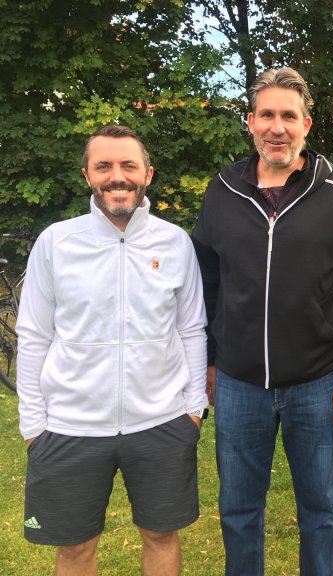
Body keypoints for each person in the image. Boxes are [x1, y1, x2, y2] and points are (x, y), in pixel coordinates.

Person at [191, 67, 333, 576]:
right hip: (238, 382)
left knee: (321, 512)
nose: (278, 127)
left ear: (307, 125)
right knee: (238, 511)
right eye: (267, 115)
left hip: (316, 384)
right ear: (250, 122)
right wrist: (207, 361)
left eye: (288, 116)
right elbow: (204, 286)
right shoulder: (223, 191)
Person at [16, 125, 208, 576]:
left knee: (161, 536)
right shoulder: (56, 243)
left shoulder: (175, 243)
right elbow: (34, 335)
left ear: (147, 174)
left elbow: (192, 329)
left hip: (160, 421)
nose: (116, 176)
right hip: (70, 426)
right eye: (104, 166)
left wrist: (193, 407)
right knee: (76, 548)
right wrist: (34, 422)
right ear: (87, 175)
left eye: (128, 166)